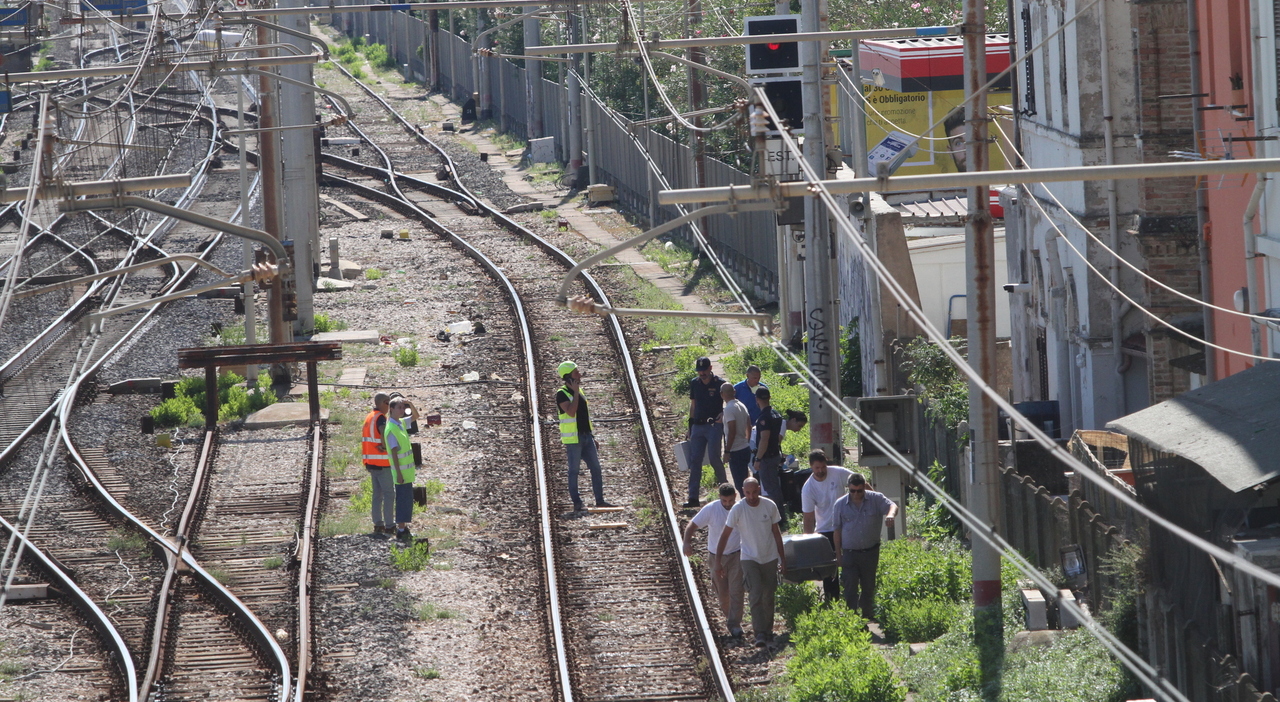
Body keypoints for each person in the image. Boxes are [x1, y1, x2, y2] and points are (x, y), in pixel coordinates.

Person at [715, 477, 786, 647]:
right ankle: (759, 633)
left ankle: (768, 631)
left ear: (759, 489)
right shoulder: (738, 509)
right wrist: (718, 561)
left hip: (769, 557)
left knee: (768, 595)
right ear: (742, 491)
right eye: (747, 492)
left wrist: (783, 559)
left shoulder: (769, 506)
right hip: (749, 558)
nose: (751, 496)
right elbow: (725, 535)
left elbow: (777, 533)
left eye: (754, 492)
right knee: (755, 594)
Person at [832, 473, 898, 619]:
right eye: (852, 491)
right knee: (850, 587)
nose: (856, 494)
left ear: (864, 488)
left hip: (870, 552)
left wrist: (890, 515)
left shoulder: (875, 498)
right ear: (848, 489)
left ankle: (867, 615)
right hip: (849, 553)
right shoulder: (840, 504)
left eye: (859, 491)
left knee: (868, 586)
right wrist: (838, 555)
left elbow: (892, 505)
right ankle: (853, 618)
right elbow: (836, 530)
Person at [683, 483, 744, 639]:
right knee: (723, 593)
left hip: (737, 554)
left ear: (735, 497)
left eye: (730, 501)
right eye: (724, 501)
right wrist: (687, 542)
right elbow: (692, 525)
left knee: (736, 591)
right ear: (719, 498)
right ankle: (730, 617)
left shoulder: (740, 509)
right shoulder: (711, 509)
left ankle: (735, 625)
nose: (728, 504)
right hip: (716, 557)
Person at [556, 361, 613, 512]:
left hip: (586, 437)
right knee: (574, 471)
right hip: (574, 439)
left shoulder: (579, 392)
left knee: (596, 468)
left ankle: (600, 500)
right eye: (576, 373)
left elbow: (583, 416)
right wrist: (575, 392)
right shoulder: (561, 393)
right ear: (568, 377)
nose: (579, 375)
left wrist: (592, 436)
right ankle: (577, 503)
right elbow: (571, 412)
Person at [801, 449, 853, 601]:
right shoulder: (808, 488)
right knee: (830, 569)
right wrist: (808, 542)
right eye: (817, 468)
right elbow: (809, 518)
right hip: (825, 529)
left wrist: (871, 500)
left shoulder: (838, 473)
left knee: (851, 562)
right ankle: (832, 600)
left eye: (823, 467)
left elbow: (859, 482)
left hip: (846, 525)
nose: (821, 470)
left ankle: (852, 597)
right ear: (811, 467)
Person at [683, 356, 726, 508]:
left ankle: (725, 490)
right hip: (698, 426)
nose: (702, 374)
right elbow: (693, 406)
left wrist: (724, 413)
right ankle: (693, 497)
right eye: (699, 371)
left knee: (714, 458)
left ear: (710, 369)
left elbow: (732, 400)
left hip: (714, 425)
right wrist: (690, 426)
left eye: (704, 370)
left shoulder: (720, 384)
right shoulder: (695, 383)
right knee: (695, 461)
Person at [382, 396, 420, 541]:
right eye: (399, 407)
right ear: (391, 409)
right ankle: (401, 530)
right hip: (401, 473)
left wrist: (409, 403)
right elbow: (393, 453)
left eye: (403, 407)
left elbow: (416, 416)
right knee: (403, 500)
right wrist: (398, 473)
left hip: (407, 472)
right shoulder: (392, 428)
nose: (402, 410)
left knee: (406, 499)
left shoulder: (400, 424)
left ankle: (403, 528)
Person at [362, 392, 395, 538]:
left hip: (371, 462)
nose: (389, 407)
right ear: (383, 403)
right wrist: (384, 445)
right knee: (389, 494)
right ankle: (389, 525)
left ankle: (378, 524)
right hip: (382, 462)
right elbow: (382, 430)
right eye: (388, 403)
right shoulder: (381, 418)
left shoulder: (370, 416)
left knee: (377, 495)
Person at [753, 387, 785, 503]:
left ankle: (779, 517)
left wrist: (758, 459)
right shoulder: (776, 414)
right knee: (774, 487)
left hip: (767, 458)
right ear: (769, 398)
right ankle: (779, 515)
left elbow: (764, 439)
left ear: (756, 399)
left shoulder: (764, 418)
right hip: (775, 453)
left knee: (771, 489)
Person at [719, 383, 751, 494]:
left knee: (740, 485)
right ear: (734, 392)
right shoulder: (742, 405)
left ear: (722, 394)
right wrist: (747, 441)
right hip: (745, 448)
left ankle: (746, 508)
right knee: (746, 481)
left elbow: (732, 431)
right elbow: (749, 426)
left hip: (736, 451)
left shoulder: (728, 409)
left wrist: (727, 451)